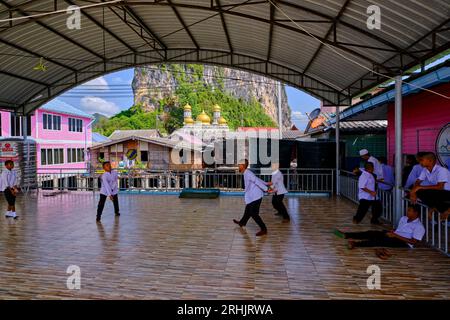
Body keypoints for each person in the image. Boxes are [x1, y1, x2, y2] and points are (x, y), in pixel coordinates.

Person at [334, 204, 425, 251]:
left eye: (409, 211)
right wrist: (393, 232)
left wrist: (395, 236)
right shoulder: (404, 218)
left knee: (379, 241)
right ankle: (347, 235)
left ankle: (356, 244)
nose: (407, 212)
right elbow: (399, 230)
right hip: (394, 235)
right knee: (371, 233)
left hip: (403, 243)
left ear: (416, 213)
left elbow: (413, 242)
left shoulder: (419, 226)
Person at [233, 159, 272, 236]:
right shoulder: (246, 173)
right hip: (252, 196)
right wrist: (266, 183)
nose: (238, 166)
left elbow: (256, 181)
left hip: (256, 196)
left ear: (243, 166)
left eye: (239, 165)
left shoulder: (248, 173)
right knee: (247, 210)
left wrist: (267, 189)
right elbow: (257, 179)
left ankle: (264, 229)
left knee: (254, 214)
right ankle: (242, 223)